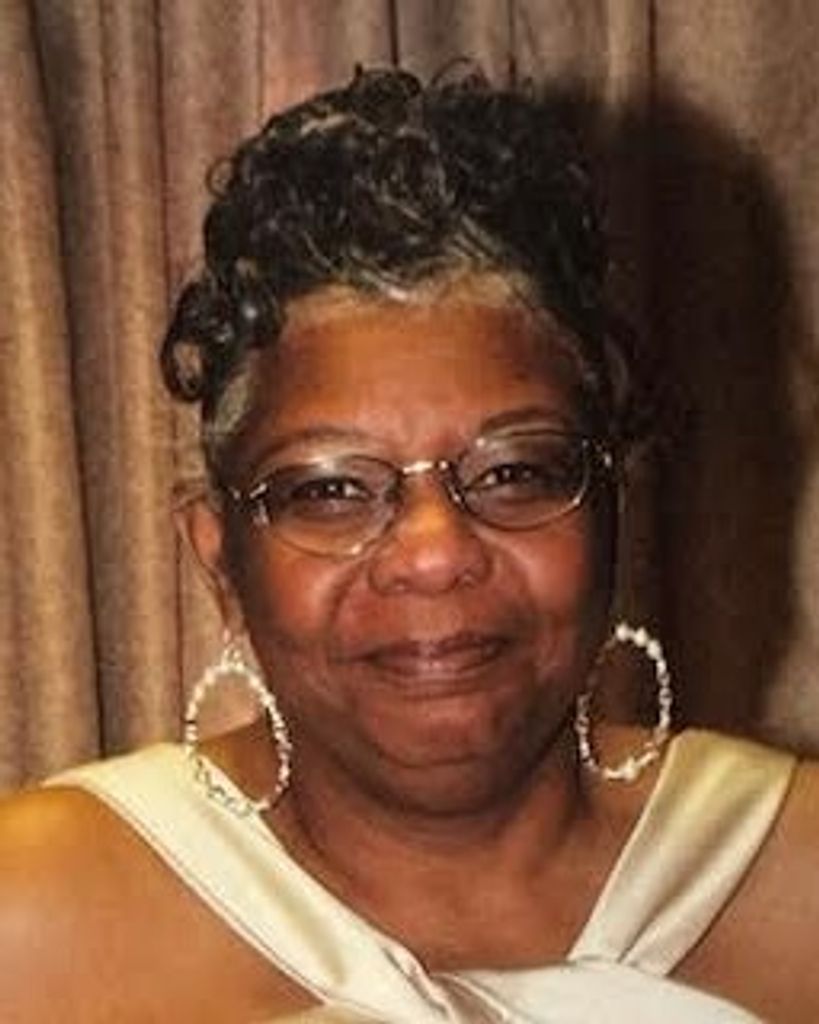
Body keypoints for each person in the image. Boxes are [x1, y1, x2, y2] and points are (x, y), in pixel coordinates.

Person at [1, 67, 818, 1023]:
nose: (434, 554)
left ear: (610, 511)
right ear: (219, 558)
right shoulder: (35, 919)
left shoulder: (796, 882)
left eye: (513, 471)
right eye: (331, 490)